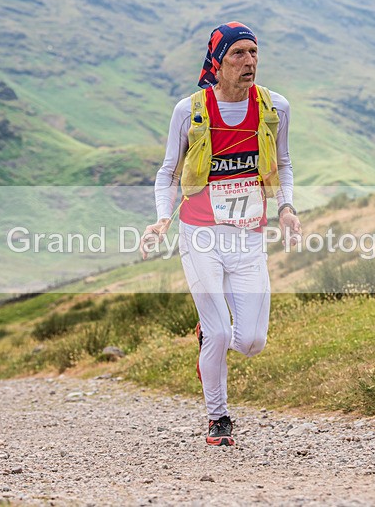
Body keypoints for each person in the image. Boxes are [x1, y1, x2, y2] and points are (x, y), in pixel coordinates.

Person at [141, 22, 301, 446]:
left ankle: (207, 334)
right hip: (200, 234)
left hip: (250, 235)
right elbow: (168, 172)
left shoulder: (275, 107)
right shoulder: (189, 111)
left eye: (254, 52)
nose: (249, 61)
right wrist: (162, 219)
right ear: (217, 61)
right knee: (220, 333)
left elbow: (283, 163)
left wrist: (286, 208)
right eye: (238, 53)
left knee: (250, 341)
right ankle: (218, 419)